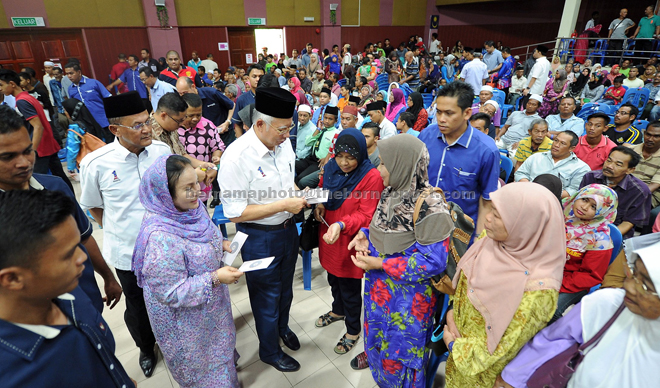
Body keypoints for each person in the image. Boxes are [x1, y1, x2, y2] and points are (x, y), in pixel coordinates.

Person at [0, 190, 136, 388]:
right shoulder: (12, 375)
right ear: (12, 279)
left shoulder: (70, 292)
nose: (82, 258)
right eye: (67, 255)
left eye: (78, 247)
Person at [348, 135, 453, 384]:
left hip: (407, 301)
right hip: (378, 293)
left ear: (403, 164)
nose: (378, 169)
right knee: (377, 344)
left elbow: (432, 262)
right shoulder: (391, 193)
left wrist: (380, 264)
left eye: (384, 163)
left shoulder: (432, 206)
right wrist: (365, 236)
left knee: (401, 355)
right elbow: (382, 228)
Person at [79, 92, 171, 377]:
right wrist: (119, 228)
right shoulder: (97, 163)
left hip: (165, 245)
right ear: (115, 129)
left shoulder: (161, 151)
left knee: (169, 297)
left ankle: (172, 341)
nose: (146, 129)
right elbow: (93, 206)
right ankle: (146, 348)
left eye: (147, 121)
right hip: (128, 251)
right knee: (138, 304)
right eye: (137, 125)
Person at [132, 154, 242, 387]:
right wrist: (215, 277)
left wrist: (219, 245)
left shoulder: (191, 208)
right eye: (188, 188)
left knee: (222, 357)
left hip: (212, 307)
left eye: (196, 183)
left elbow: (206, 234)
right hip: (186, 324)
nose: (198, 191)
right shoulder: (160, 237)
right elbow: (170, 292)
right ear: (165, 193)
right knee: (203, 371)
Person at [497, 233, 660, 388]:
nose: (629, 286)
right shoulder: (608, 303)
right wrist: (512, 378)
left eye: (646, 285)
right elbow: (552, 341)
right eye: (633, 274)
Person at [0, 103, 122, 311]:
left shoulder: (55, 186)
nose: (23, 162)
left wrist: (108, 277)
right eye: (8, 156)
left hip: (85, 299)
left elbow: (84, 237)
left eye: (28, 151)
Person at [219, 88, 307, 372]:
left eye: (289, 128)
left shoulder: (283, 144)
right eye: (282, 129)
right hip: (258, 237)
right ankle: (269, 351)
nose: (286, 135)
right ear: (259, 124)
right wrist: (283, 204)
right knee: (266, 295)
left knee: (285, 289)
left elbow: (287, 181)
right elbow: (235, 212)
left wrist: (300, 195)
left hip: (286, 230)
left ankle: (282, 328)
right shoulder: (236, 157)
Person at [444, 182, 566, 388]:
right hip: (459, 349)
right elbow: (465, 285)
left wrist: (453, 345)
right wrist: (451, 312)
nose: (488, 218)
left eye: (498, 215)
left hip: (485, 373)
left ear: (525, 224)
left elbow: (503, 349)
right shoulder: (490, 240)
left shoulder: (538, 290)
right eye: (491, 209)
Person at [314, 129, 384, 355]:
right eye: (340, 155)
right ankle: (337, 311)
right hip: (329, 233)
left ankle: (353, 331)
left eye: (351, 157)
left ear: (361, 154)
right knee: (333, 277)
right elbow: (323, 188)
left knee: (349, 287)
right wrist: (320, 203)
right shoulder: (332, 166)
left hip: (351, 240)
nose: (344, 162)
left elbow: (366, 214)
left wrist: (342, 224)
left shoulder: (370, 176)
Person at [419, 81, 500, 235]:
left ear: (467, 113)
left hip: (460, 232)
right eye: (438, 112)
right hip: (423, 223)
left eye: (449, 113)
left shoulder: (486, 150)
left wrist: (478, 239)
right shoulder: (426, 135)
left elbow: (486, 200)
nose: (441, 119)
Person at [550, 184, 618, 324]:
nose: (584, 207)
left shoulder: (600, 239)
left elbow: (590, 275)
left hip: (572, 282)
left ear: (603, 210)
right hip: (545, 269)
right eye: (585, 200)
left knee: (551, 310)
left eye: (594, 206)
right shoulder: (561, 215)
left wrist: (555, 284)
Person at [0, 70, 69, 191]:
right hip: (47, 143)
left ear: (11, 83)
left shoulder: (21, 101)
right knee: (60, 176)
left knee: (36, 182)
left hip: (40, 147)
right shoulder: (27, 96)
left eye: (1, 85)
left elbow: (37, 126)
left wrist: (32, 150)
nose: (0, 89)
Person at [580, 147, 652, 238]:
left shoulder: (639, 191)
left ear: (630, 170)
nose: (609, 166)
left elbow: (629, 222)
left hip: (613, 234)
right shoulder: (590, 177)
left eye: (618, 164)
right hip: (583, 226)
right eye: (609, 160)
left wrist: (605, 239)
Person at [516, 131, 591, 199]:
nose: (556, 145)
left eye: (562, 143)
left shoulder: (581, 168)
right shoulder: (536, 157)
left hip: (555, 201)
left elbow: (573, 190)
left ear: (571, 148)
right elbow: (521, 173)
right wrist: (531, 189)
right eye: (556, 140)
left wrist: (546, 195)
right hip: (527, 195)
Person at [175, 76, 235, 146]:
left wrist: (227, 122)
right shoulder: (182, 101)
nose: (182, 96)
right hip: (203, 137)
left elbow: (232, 105)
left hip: (224, 133)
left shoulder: (211, 93)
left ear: (193, 86)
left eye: (185, 93)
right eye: (180, 93)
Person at [627, 122, 660, 234]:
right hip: (625, 188)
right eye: (648, 134)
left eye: (656, 136)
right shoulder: (630, 150)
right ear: (644, 133)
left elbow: (653, 186)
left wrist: (628, 195)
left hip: (650, 195)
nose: (650, 139)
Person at [296, 106, 340, 188]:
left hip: (319, 163)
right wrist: (318, 129)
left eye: (330, 119)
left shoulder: (336, 134)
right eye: (325, 118)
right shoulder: (321, 130)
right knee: (292, 166)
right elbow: (308, 142)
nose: (326, 121)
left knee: (301, 179)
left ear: (336, 121)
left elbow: (335, 152)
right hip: (310, 158)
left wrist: (327, 157)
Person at [64, 63, 113, 134]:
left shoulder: (93, 83)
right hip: (87, 125)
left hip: (102, 120)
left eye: (71, 73)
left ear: (79, 72)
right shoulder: (70, 89)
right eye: (67, 74)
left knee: (110, 142)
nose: (69, 76)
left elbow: (108, 98)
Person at [231, 64, 264, 137]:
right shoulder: (242, 99)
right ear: (248, 78)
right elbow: (237, 124)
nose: (258, 79)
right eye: (254, 76)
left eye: (260, 77)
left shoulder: (271, 98)